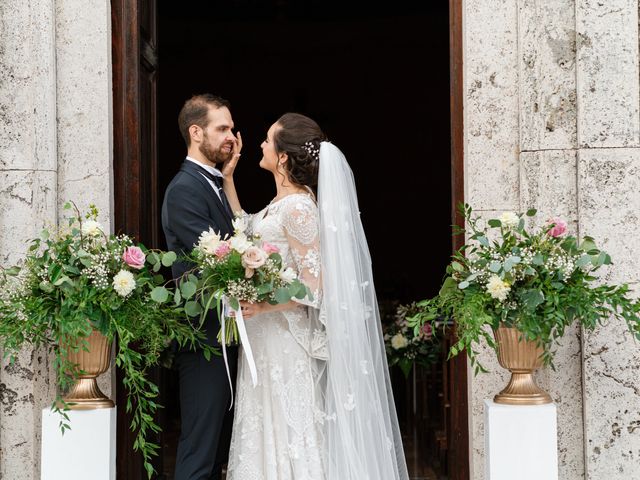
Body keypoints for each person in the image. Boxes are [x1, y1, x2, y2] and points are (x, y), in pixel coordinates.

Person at [222, 113, 409, 480]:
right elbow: (248, 228)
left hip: (285, 341)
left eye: (267, 140)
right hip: (265, 337)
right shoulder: (282, 203)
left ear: (283, 157)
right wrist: (228, 179)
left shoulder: (298, 208)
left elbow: (315, 287)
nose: (260, 144)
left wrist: (262, 304)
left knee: (293, 430)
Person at [161, 94, 242, 480]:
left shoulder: (211, 182)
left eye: (231, 128)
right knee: (199, 451)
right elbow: (216, 260)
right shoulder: (184, 189)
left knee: (217, 454)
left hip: (223, 337)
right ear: (196, 132)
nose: (231, 136)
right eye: (222, 128)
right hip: (203, 340)